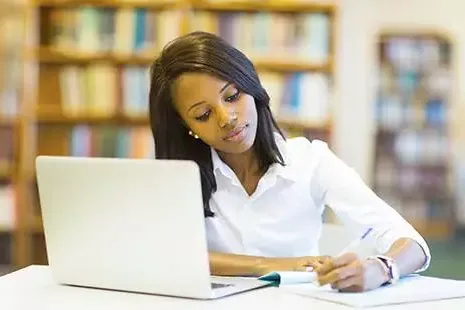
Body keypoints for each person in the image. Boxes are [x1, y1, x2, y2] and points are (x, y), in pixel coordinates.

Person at [148, 31, 430, 293]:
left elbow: (412, 243)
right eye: (203, 115)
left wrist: (381, 268)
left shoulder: (310, 161)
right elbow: (168, 253)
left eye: (232, 97)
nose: (226, 118)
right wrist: (276, 265)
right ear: (186, 126)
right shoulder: (180, 176)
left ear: (252, 87)